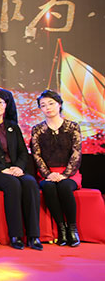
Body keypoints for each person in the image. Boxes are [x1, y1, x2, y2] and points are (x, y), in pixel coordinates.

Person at [0, 90, 42, 250]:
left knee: (30, 183)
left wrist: (18, 167)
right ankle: (16, 234)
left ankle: (33, 235)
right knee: (13, 184)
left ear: (5, 105)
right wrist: (2, 169)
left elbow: (22, 152)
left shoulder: (13, 126)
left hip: (15, 169)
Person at [31, 90, 82, 247]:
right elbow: (36, 155)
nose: (48, 108)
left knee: (64, 187)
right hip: (46, 174)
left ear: (59, 104)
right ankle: (61, 229)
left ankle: (72, 229)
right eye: (43, 105)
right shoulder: (37, 129)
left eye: (51, 103)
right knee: (49, 187)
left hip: (69, 173)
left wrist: (65, 174)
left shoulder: (73, 127)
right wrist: (48, 174)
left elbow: (76, 153)